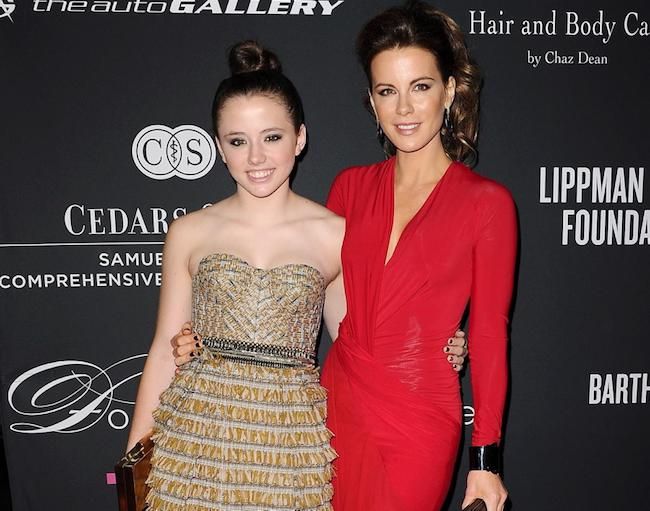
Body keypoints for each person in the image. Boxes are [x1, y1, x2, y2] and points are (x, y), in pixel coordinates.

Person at [126, 41, 344, 510]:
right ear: (220, 148)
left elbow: (355, 348)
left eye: (272, 137)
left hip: (289, 445)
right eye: (238, 141)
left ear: (300, 138)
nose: (256, 157)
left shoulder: (336, 235)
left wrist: (438, 346)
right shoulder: (189, 231)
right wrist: (133, 463)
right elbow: (164, 350)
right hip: (196, 439)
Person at [320, 2, 516, 510]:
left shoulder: (486, 203)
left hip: (419, 415)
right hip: (338, 402)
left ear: (449, 90)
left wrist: (485, 461)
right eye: (387, 91)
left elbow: (489, 334)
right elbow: (322, 307)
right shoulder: (348, 189)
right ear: (372, 100)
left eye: (420, 86)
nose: (404, 108)